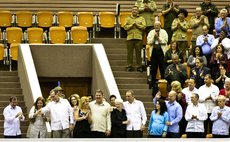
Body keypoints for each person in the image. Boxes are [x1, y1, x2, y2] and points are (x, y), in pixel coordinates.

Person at [124, 5, 146, 72]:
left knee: (138, 52)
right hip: (130, 37)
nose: (134, 11)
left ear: (138, 11)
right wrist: (131, 25)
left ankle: (139, 66)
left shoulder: (141, 18)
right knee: (129, 53)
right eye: (133, 10)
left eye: (136, 10)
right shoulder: (128, 18)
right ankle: (129, 66)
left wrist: (137, 25)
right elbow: (125, 27)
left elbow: (144, 27)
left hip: (138, 37)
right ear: (131, 11)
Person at [147, 21, 168, 91]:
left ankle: (163, 82)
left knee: (162, 67)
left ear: (160, 25)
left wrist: (158, 38)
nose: (156, 27)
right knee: (153, 68)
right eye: (155, 25)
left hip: (161, 52)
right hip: (153, 51)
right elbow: (149, 42)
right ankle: (153, 83)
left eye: (158, 25)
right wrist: (154, 37)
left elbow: (165, 41)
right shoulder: (151, 32)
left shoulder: (164, 32)